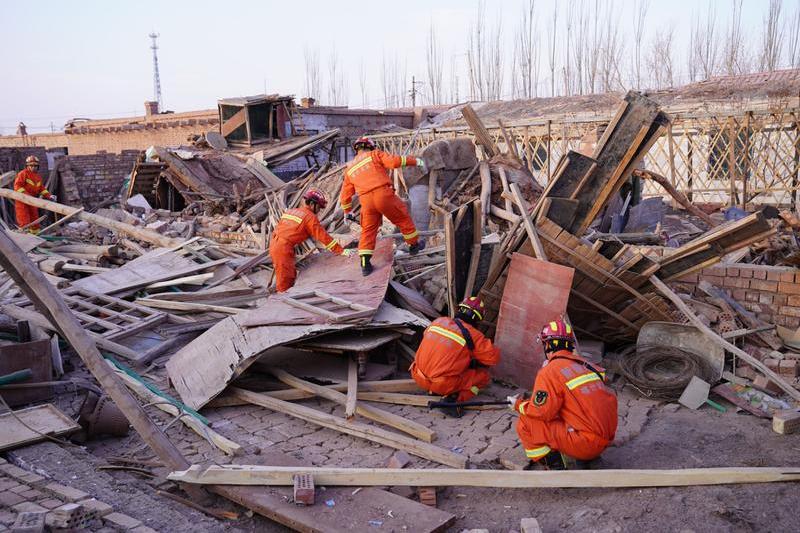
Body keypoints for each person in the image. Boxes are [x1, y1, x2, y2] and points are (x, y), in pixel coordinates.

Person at [509, 319, 617, 470]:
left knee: (526, 422)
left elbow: (541, 412)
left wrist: (518, 405)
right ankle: (587, 456)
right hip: (605, 439)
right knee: (562, 413)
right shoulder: (588, 366)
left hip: (586, 443)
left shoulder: (549, 372)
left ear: (548, 345)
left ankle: (556, 467)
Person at [340, 136, 426, 276]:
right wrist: (415, 161)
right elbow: (394, 162)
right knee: (402, 217)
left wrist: (347, 211)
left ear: (357, 149)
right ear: (369, 146)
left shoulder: (349, 169)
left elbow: (345, 194)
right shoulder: (374, 154)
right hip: (383, 194)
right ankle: (414, 245)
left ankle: (365, 265)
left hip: (366, 202)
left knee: (368, 230)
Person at [410, 296, 500, 417]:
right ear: (477, 319)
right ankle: (454, 400)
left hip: (417, 375)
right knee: (483, 376)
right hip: (441, 384)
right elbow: (493, 358)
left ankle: (434, 390)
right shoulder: (473, 335)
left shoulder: (438, 321)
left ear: (459, 309)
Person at [269, 188, 354, 292]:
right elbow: (323, 237)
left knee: (289, 274)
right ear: (313, 204)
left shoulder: (292, 211)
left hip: (275, 243)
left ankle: (285, 296)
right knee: (285, 279)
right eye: (319, 207)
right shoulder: (310, 217)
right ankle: (281, 302)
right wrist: (341, 250)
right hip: (283, 248)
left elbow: (287, 229)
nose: (319, 210)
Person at [14, 155, 55, 232]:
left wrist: (49, 196)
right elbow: (17, 186)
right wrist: (26, 195)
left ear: (38, 166)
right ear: (27, 166)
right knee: (23, 218)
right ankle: (25, 236)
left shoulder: (38, 177)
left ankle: (36, 235)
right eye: (31, 165)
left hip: (32, 200)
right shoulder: (23, 174)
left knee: (34, 217)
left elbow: (42, 189)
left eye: (35, 166)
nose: (33, 167)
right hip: (22, 200)